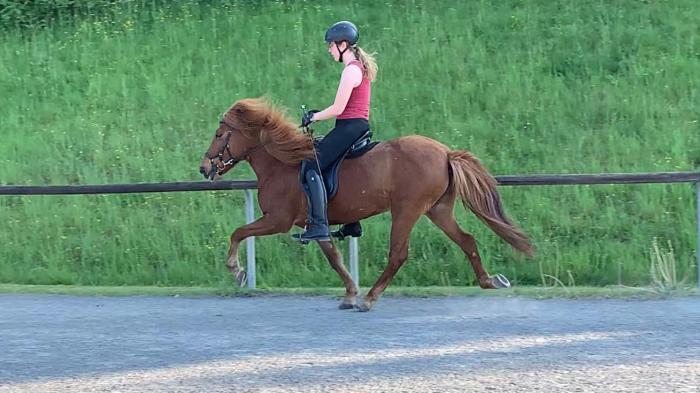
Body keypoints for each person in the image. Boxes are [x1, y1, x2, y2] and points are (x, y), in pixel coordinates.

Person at [294, 20, 378, 242]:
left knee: (312, 164)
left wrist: (313, 117)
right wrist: (317, 113)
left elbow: (339, 108)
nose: (329, 50)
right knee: (338, 164)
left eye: (331, 45)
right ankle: (352, 222)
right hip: (353, 126)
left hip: (351, 126)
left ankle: (319, 225)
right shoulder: (359, 67)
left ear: (343, 45)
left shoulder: (351, 71)